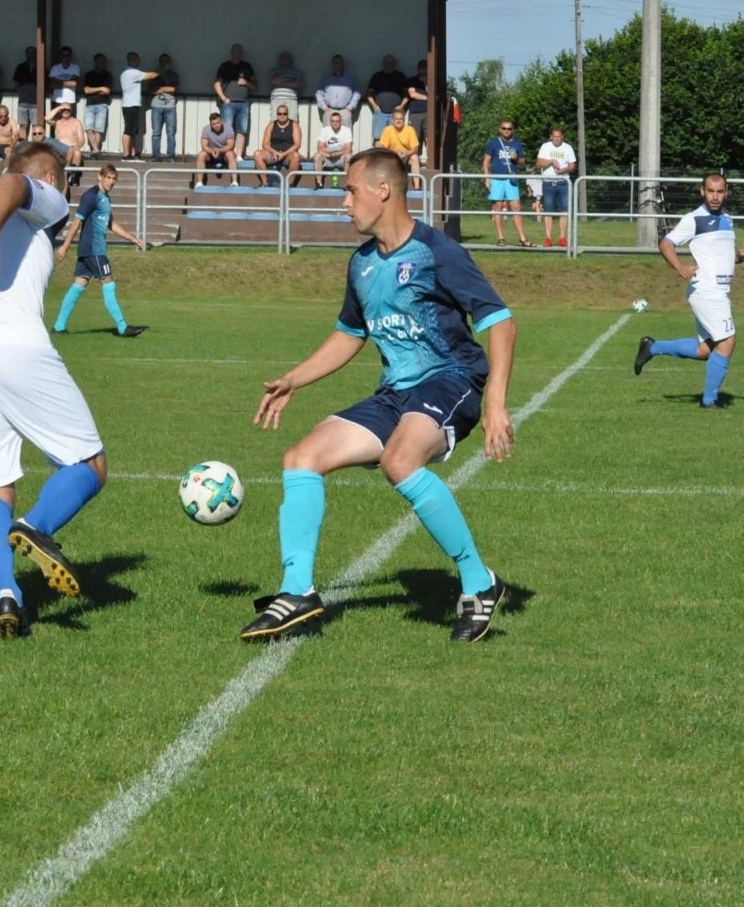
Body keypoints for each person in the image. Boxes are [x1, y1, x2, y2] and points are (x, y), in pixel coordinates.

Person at [243, 148, 515, 644]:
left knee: (400, 461)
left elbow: (499, 321)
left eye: (350, 191)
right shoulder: (362, 264)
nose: (343, 203)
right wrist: (293, 379)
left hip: (452, 380)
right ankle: (296, 590)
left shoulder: (438, 252)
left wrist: (495, 403)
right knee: (301, 458)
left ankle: (479, 582)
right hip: (396, 392)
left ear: (382, 190)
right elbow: (350, 333)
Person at [0, 142, 114, 637]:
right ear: (53, 181)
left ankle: (7, 595)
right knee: (89, 464)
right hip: (9, 344)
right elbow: (16, 184)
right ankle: (36, 528)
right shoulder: (42, 197)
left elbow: (4, 191)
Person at [634, 173, 744, 409]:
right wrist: (679, 265)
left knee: (704, 350)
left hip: (718, 291)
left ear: (726, 193)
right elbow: (666, 243)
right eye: (710, 191)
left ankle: (652, 347)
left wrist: (741, 257)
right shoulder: (694, 219)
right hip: (706, 290)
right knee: (728, 342)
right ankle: (709, 401)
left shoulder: (728, 219)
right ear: (702, 192)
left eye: (720, 192)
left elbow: (725, 255)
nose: (715, 197)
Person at [53, 163, 147, 336]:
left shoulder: (105, 198)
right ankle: (122, 327)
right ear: (100, 177)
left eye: (114, 179)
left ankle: (59, 327)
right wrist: (65, 246)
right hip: (94, 249)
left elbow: (110, 223)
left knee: (78, 285)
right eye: (108, 178)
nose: (111, 182)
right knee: (108, 283)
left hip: (89, 250)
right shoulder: (91, 196)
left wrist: (132, 238)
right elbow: (77, 221)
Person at [481, 119, 531, 247]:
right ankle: (500, 238)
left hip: (511, 179)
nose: (506, 131)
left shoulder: (517, 143)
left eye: (509, 129)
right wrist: (487, 178)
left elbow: (522, 162)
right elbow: (486, 161)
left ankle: (522, 238)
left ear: (512, 130)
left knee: (516, 207)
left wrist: (516, 158)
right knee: (497, 207)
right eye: (504, 128)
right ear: (500, 129)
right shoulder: (494, 143)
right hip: (497, 179)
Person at [214, 44, 256, 160]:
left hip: (244, 103)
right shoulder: (225, 66)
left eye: (239, 51)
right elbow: (217, 84)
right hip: (228, 103)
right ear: (231, 52)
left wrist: (246, 83)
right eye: (235, 50)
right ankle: (228, 154)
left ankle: (238, 155)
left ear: (242, 53)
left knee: (242, 129)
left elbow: (254, 86)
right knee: (227, 130)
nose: (237, 53)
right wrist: (223, 98)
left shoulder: (247, 66)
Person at [535, 127, 576, 247]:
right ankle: (548, 238)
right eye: (555, 136)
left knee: (564, 210)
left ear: (562, 137)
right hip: (548, 182)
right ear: (551, 137)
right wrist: (551, 161)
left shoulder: (568, 148)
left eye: (559, 137)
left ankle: (562, 238)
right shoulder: (545, 147)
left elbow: (572, 166)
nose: (557, 139)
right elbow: (538, 163)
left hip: (563, 183)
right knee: (548, 210)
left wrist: (564, 169)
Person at [119, 52, 158, 160]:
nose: (138, 61)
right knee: (128, 129)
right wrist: (162, 69)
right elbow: (152, 75)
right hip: (130, 105)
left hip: (131, 104)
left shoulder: (126, 73)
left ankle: (132, 153)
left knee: (133, 130)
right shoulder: (131, 72)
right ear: (132, 60)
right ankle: (126, 154)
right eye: (136, 59)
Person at [252, 104, 303, 186]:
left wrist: (283, 154)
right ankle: (265, 182)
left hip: (287, 155)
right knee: (257, 154)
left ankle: (290, 183)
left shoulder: (294, 125)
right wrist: (274, 152)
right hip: (273, 155)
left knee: (296, 156)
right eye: (279, 114)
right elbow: (264, 144)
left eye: (284, 114)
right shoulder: (271, 125)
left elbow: (297, 144)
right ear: (277, 114)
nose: (282, 116)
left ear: (287, 114)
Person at [363, 54, 408, 144]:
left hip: (396, 113)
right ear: (383, 63)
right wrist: (374, 105)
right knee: (378, 138)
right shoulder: (377, 76)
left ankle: (391, 157)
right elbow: (368, 93)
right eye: (386, 62)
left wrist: (401, 106)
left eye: (390, 62)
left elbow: (407, 94)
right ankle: (378, 157)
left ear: (394, 63)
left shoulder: (400, 76)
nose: (388, 64)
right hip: (380, 113)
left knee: (395, 137)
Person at [315, 54, 361, 130]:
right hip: (329, 111)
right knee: (328, 137)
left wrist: (351, 107)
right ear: (332, 64)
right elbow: (318, 93)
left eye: (339, 62)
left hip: (345, 112)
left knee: (345, 138)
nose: (337, 65)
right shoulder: (326, 78)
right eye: (335, 63)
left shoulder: (350, 78)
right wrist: (323, 107)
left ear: (343, 64)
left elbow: (357, 93)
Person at [377, 107, 422, 185]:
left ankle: (417, 187)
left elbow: (415, 149)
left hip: (406, 157)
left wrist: (405, 154)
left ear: (404, 120)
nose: (398, 121)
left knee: (415, 158)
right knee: (382, 156)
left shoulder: (410, 130)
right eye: (396, 119)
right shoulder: (387, 130)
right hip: (392, 156)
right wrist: (394, 153)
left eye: (401, 119)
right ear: (392, 120)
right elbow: (382, 147)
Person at [148, 54, 179, 161]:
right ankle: (155, 155)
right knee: (156, 132)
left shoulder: (174, 75)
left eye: (166, 61)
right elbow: (151, 90)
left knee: (171, 132)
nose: (164, 63)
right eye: (162, 61)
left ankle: (171, 155)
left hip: (170, 106)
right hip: (156, 106)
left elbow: (173, 89)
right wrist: (164, 89)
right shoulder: (154, 74)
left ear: (170, 62)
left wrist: (159, 89)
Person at [81, 53, 113, 156]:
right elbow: (86, 90)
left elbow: (107, 91)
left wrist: (93, 90)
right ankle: (96, 150)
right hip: (90, 104)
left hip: (102, 104)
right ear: (95, 61)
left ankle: (95, 151)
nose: (102, 63)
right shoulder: (89, 75)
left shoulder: (107, 75)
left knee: (99, 129)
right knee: (89, 128)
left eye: (104, 61)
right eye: (100, 61)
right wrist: (100, 88)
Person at [48, 96, 86, 183]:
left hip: (72, 148)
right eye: (63, 109)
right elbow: (47, 118)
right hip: (59, 148)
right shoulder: (57, 122)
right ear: (60, 111)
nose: (66, 111)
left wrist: (77, 146)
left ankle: (73, 177)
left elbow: (81, 139)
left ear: (71, 111)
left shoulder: (76, 122)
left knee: (77, 152)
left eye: (68, 109)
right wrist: (59, 107)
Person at [194, 112, 238, 186]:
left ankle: (234, 181)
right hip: (211, 154)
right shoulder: (206, 129)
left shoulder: (228, 128)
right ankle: (200, 182)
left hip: (225, 153)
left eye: (218, 123)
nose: (216, 126)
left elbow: (231, 145)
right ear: (210, 124)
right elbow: (204, 145)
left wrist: (219, 151)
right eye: (213, 124)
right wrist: (212, 151)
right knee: (201, 154)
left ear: (221, 121)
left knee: (231, 154)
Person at [315, 111, 353, 185]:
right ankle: (319, 183)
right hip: (328, 157)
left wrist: (335, 153)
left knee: (349, 156)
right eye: (333, 121)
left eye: (337, 121)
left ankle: (346, 183)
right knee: (317, 156)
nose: (335, 123)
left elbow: (348, 149)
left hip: (341, 159)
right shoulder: (325, 130)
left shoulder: (347, 130)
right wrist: (329, 153)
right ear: (330, 122)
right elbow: (319, 147)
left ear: (341, 122)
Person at [268, 50, 303, 116]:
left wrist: (279, 82)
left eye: (287, 58)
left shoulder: (296, 72)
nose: (285, 60)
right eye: (283, 58)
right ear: (279, 60)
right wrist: (290, 80)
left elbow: (297, 84)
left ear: (291, 60)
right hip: (276, 99)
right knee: (275, 122)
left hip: (291, 99)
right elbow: (272, 81)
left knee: (292, 122)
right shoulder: (273, 71)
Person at [405, 59, 429, 144]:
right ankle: (414, 157)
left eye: (425, 68)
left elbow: (433, 95)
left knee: (429, 137)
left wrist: (426, 83)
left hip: (428, 112)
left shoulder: (432, 81)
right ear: (417, 69)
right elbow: (412, 94)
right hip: (415, 112)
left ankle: (430, 156)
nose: (423, 70)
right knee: (414, 138)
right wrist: (427, 98)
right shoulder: (412, 80)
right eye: (421, 68)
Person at [12, 47, 37, 128]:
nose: (31, 55)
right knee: (23, 126)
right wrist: (21, 93)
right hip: (23, 101)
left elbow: (46, 83)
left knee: (36, 126)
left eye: (33, 52)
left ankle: (35, 141)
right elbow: (16, 83)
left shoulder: (41, 67)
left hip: (36, 102)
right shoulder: (21, 67)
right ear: (26, 54)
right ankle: (23, 141)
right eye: (29, 53)